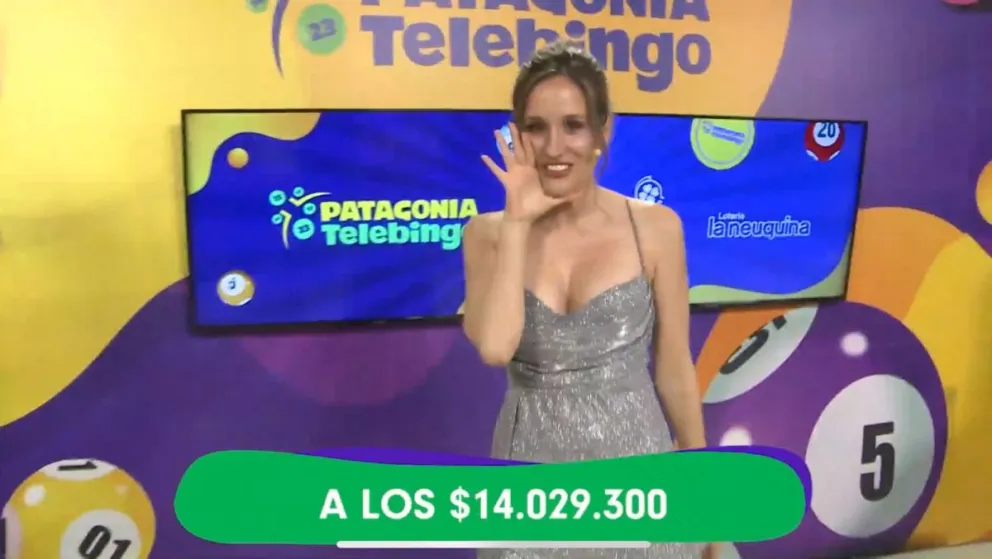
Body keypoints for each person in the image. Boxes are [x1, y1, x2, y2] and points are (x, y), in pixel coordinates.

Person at [461, 41, 713, 559]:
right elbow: (495, 347)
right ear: (517, 136)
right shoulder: (485, 235)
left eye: (573, 125)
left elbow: (674, 367)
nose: (555, 147)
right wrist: (517, 223)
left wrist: (705, 489)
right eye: (536, 127)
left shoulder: (655, 228)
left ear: (604, 130)